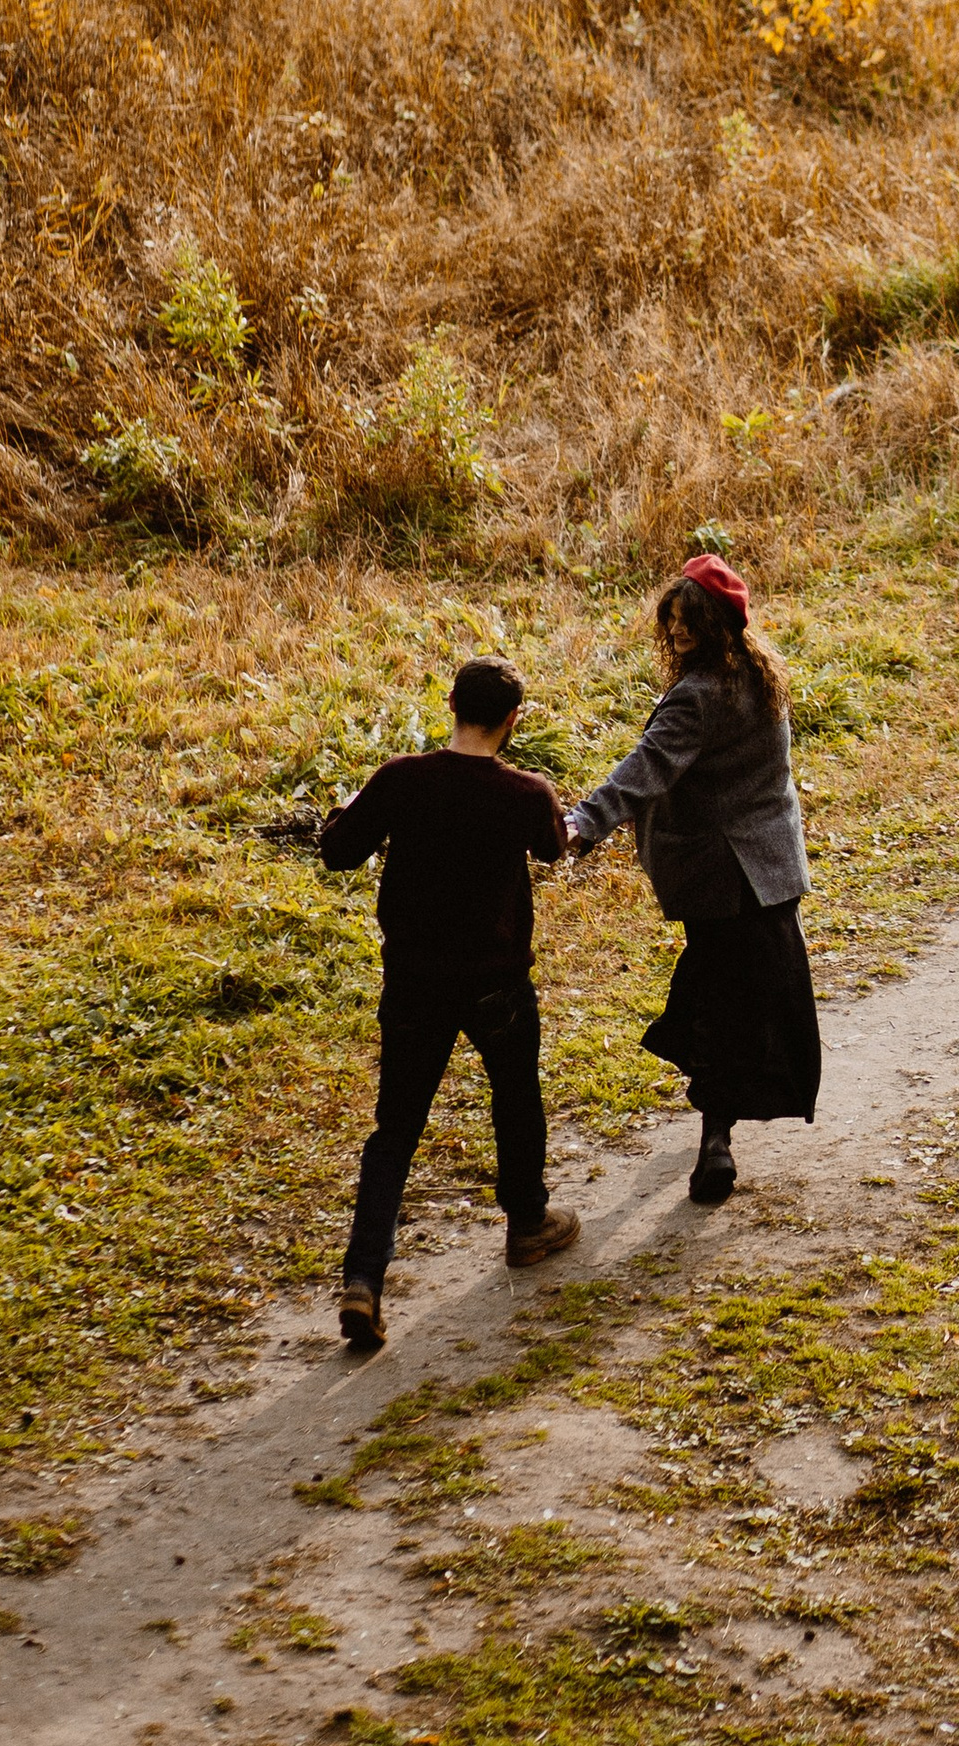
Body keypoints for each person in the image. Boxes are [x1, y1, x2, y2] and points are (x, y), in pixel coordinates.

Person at [317, 657, 581, 1352]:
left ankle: (364, 1281)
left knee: (395, 1132)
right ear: (513, 720)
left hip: (413, 983)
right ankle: (527, 1224)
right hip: (495, 981)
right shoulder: (525, 790)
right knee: (516, 1095)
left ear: (452, 703)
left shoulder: (400, 778)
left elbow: (339, 852)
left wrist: (343, 813)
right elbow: (556, 848)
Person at [565, 556, 819, 1205]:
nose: (676, 632)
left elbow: (645, 766)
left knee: (716, 1000)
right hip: (769, 868)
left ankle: (715, 1141)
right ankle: (717, 1127)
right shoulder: (763, 676)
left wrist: (584, 822)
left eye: (687, 622)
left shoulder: (698, 695)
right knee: (738, 994)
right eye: (671, 621)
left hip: (720, 874)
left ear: (713, 624)